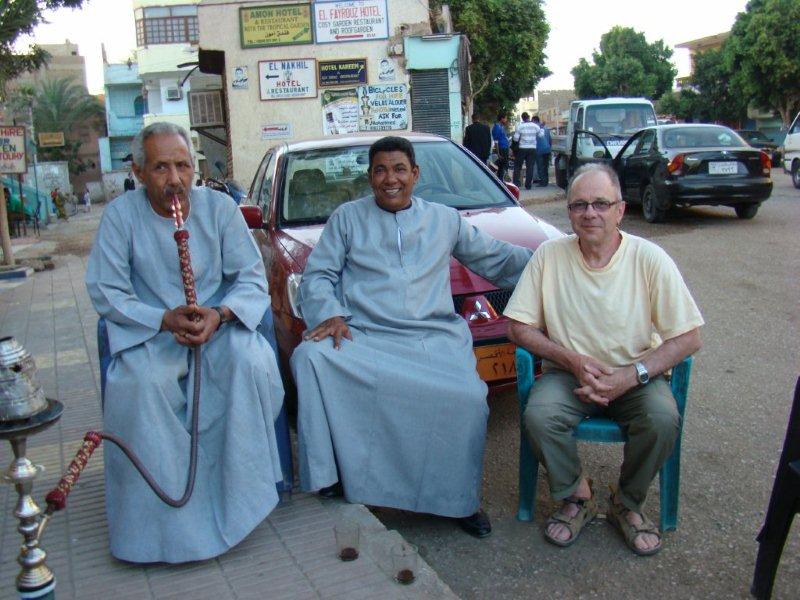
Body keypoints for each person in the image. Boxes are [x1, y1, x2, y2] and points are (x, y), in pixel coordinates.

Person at [291, 136, 532, 539]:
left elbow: (498, 258)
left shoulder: (444, 219)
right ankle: (335, 477)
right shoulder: (347, 219)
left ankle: (459, 501)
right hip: (367, 337)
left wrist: (559, 260)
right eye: (381, 170)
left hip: (432, 337)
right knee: (309, 358)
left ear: (415, 174)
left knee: (469, 400)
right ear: (370, 177)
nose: (391, 179)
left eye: (399, 169)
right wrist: (330, 313)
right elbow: (319, 275)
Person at [85, 122, 285, 563]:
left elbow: (250, 278)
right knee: (138, 386)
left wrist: (219, 314)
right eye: (161, 167)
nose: (175, 179)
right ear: (139, 171)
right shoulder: (121, 216)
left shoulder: (219, 209)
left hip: (219, 328)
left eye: (182, 166)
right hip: (152, 334)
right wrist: (161, 318)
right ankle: (155, 525)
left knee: (248, 363)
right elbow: (107, 291)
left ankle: (241, 500)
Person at [504, 163, 703, 556]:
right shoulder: (549, 256)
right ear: (569, 211)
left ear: (620, 210)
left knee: (662, 419)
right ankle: (577, 494)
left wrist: (632, 375)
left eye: (600, 203)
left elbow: (689, 337)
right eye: (579, 204)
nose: (589, 213)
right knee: (539, 416)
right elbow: (517, 328)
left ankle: (626, 503)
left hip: (636, 375)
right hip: (570, 376)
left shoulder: (650, 258)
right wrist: (572, 359)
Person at [512, 112, 540, 189]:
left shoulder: (520, 126)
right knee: (530, 167)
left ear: (522, 118)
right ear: (528, 117)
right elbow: (541, 135)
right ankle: (528, 185)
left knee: (518, 166)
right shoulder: (535, 126)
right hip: (532, 148)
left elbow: (515, 139)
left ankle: (516, 183)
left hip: (522, 148)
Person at [492, 112, 511, 182]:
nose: (506, 120)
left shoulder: (501, 127)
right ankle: (500, 180)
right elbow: (496, 141)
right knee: (501, 166)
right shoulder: (497, 127)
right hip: (501, 148)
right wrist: (498, 153)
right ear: (502, 119)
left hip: (505, 148)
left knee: (504, 165)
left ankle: (502, 180)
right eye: (505, 118)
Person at [535, 117, 552, 187]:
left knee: (540, 166)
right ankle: (546, 181)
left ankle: (542, 182)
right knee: (545, 166)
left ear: (534, 121)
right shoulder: (546, 129)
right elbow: (550, 140)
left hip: (539, 150)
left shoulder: (536, 129)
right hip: (547, 149)